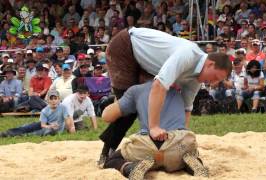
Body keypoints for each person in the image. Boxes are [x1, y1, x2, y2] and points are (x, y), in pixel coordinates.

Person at [98, 27, 232, 165]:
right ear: (210, 64)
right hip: (124, 46)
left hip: (146, 62)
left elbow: (186, 107)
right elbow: (159, 86)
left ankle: (115, 104)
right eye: (215, 77)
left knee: (153, 102)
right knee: (130, 108)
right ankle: (106, 153)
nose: (214, 83)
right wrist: (154, 127)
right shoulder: (187, 54)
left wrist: (182, 137)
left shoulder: (196, 79)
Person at [102, 81, 209, 179]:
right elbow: (185, 124)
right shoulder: (178, 90)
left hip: (147, 146)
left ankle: (130, 168)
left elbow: (106, 116)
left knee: (112, 160)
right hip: (178, 143)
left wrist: (118, 100)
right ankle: (193, 163)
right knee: (190, 153)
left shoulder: (136, 90)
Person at [0, 90, 71, 137]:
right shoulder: (44, 110)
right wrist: (50, 126)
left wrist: (70, 128)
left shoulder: (63, 107)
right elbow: (43, 125)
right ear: (48, 100)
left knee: (45, 131)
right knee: (29, 127)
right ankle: (7, 133)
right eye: (51, 99)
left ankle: (22, 135)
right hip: (47, 125)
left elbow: (68, 120)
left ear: (58, 99)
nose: (53, 101)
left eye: (55, 98)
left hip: (54, 129)